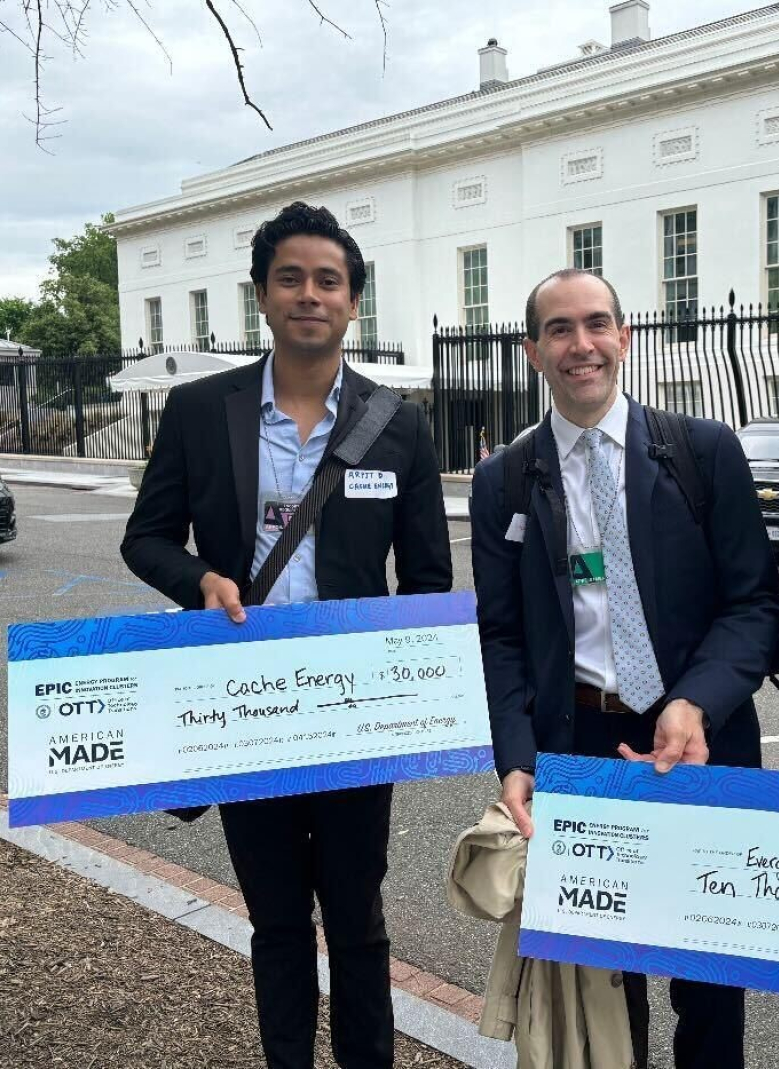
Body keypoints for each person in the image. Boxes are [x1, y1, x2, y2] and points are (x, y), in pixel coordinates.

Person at [121, 201, 452, 1069]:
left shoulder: (397, 424)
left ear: (352, 303)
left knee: (357, 916)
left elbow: (426, 582)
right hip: (243, 703)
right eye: (291, 278)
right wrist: (200, 580)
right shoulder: (200, 411)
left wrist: (411, 704)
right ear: (262, 296)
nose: (310, 294)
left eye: (329, 281)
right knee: (274, 918)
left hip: (352, 710)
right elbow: (144, 536)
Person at [470, 268, 779, 1069]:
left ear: (625, 336)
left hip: (698, 739)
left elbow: (754, 605)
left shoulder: (702, 451)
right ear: (533, 350)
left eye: (598, 324)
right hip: (580, 743)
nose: (583, 345)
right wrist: (515, 759)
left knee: (710, 977)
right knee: (603, 983)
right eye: (562, 330)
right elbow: (501, 635)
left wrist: (694, 702)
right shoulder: (504, 477)